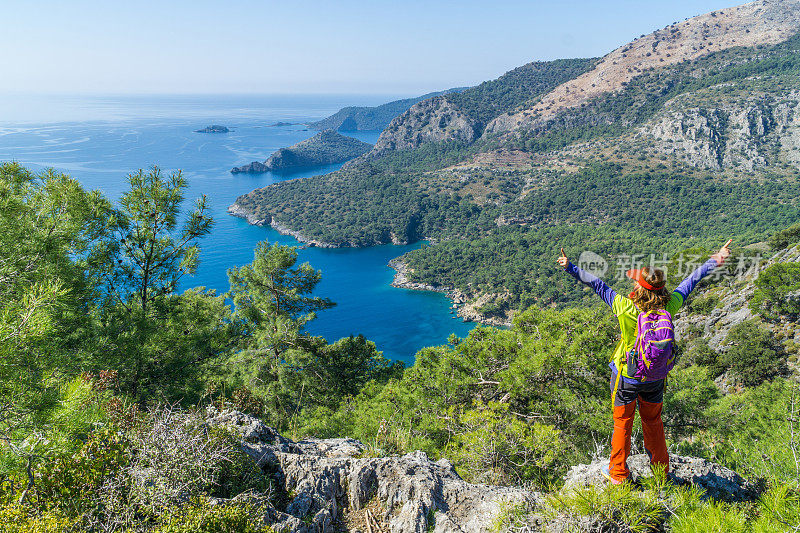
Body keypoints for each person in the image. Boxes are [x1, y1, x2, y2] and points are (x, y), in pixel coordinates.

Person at [557, 240, 732, 484]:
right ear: (661, 289)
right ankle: (661, 474)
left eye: (636, 281)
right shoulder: (670, 306)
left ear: (640, 288)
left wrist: (570, 267)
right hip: (655, 377)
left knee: (622, 423)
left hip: (626, 376)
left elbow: (597, 284)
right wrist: (719, 257)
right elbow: (692, 279)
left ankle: (618, 475)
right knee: (653, 422)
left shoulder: (625, 306)